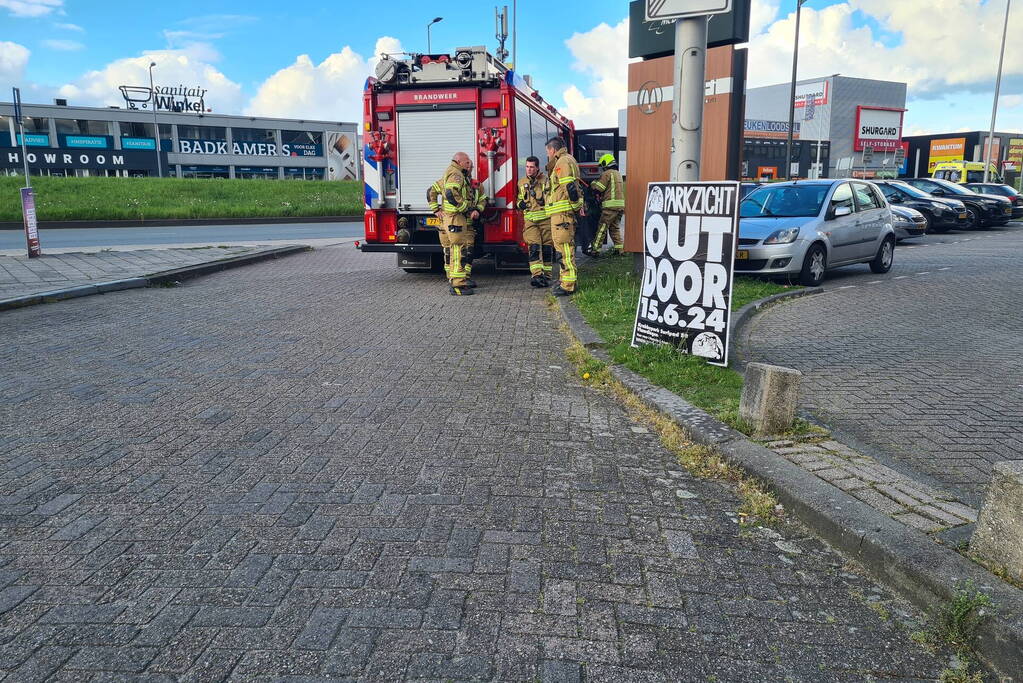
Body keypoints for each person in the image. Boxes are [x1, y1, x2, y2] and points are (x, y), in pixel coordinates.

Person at [543, 137, 584, 296]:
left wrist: (573, 207)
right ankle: (566, 281)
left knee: (564, 249)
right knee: (563, 248)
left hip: (562, 215)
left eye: (548, 152)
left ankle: (568, 284)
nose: (548, 155)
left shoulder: (562, 162)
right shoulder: (567, 160)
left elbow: (569, 187)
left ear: (552, 150)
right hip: (562, 214)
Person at [441, 152, 479, 296]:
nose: (468, 165)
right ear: (458, 161)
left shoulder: (453, 172)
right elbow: (451, 193)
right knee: (458, 250)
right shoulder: (456, 173)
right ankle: (458, 285)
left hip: (453, 217)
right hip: (455, 217)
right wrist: (465, 208)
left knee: (456, 250)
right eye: (466, 162)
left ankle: (455, 281)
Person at [516, 156, 553, 287]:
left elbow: (550, 198)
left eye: (532, 167)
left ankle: (547, 275)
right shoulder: (521, 182)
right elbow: (519, 198)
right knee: (534, 247)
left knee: (547, 248)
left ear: (537, 168)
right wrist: (519, 203)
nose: (529, 170)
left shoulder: (545, 180)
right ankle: (537, 275)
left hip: (545, 220)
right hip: (530, 220)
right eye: (527, 167)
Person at [588, 153, 626, 256]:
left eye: (602, 165)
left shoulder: (607, 173)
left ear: (605, 163)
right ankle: (620, 249)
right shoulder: (618, 173)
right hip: (620, 207)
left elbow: (599, 188)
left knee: (602, 228)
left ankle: (595, 250)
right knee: (614, 228)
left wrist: (593, 183)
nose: (602, 168)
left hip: (610, 207)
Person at [426, 177, 450, 280]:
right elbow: (431, 190)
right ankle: (452, 278)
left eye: (470, 166)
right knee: (449, 250)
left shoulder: (469, 182)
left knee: (460, 251)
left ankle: (458, 278)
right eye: (467, 165)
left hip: (460, 222)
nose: (469, 168)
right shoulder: (446, 181)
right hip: (446, 222)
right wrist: (436, 210)